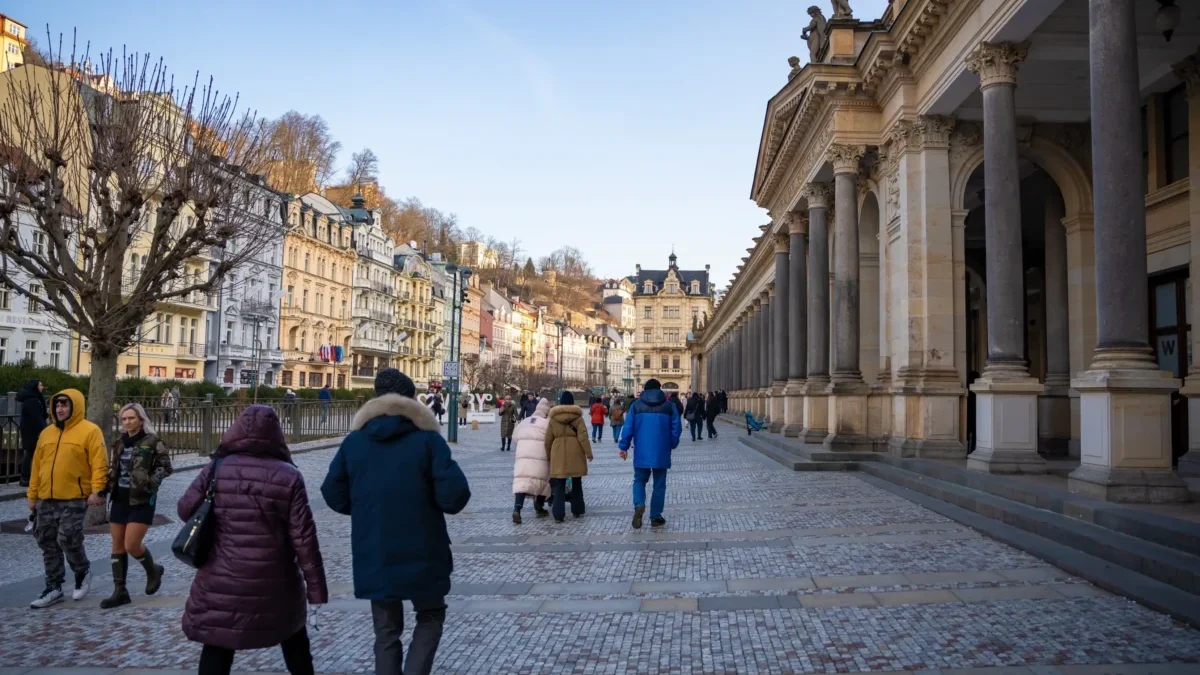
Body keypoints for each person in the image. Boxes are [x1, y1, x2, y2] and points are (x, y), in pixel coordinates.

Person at [321, 368, 470, 675]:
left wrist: (367, 509)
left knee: (386, 631)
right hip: (424, 548)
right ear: (411, 401)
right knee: (430, 614)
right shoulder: (428, 441)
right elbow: (455, 497)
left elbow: (332, 492)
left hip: (374, 548)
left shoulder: (355, 442)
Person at [180, 405, 327, 675]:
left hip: (221, 577)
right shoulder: (289, 475)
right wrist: (317, 593)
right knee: (294, 641)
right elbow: (304, 539)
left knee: (218, 643)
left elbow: (184, 509)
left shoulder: (218, 467)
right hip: (276, 580)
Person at [27, 389, 108, 608]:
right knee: (46, 541)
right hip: (46, 497)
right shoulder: (46, 433)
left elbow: (99, 462)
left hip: (74, 497)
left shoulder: (90, 431)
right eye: (57, 406)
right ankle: (53, 586)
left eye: (65, 405)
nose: (60, 409)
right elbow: (37, 466)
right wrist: (32, 495)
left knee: (68, 538)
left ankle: (82, 571)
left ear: (75, 407)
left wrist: (97, 489)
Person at [100, 403, 173, 609]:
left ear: (141, 419)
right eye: (124, 419)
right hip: (120, 498)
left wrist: (152, 482)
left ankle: (152, 570)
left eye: (131, 418)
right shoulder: (119, 443)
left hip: (141, 499)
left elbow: (166, 467)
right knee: (116, 544)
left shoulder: (152, 441)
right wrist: (104, 488)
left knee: (131, 544)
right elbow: (115, 469)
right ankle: (120, 590)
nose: (127, 422)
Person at [618, 379, 681, 529]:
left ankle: (639, 505)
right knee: (659, 485)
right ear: (660, 390)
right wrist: (671, 444)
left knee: (639, 480)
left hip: (641, 451)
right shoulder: (669, 406)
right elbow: (676, 428)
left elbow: (628, 428)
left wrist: (623, 446)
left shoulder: (636, 406)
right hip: (661, 451)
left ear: (644, 390)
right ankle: (655, 516)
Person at [544, 391, 592, 522]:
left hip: (558, 451)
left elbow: (548, 440)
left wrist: (548, 456)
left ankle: (558, 515)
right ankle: (577, 510)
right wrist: (588, 453)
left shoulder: (553, 418)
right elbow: (583, 437)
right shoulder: (578, 418)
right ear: (572, 402)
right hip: (575, 450)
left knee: (559, 484)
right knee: (577, 481)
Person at [511, 397, 552, 523]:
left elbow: (514, 437)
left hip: (523, 457)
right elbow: (551, 439)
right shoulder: (547, 423)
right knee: (542, 480)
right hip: (540, 457)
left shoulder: (526, 421)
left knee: (522, 482)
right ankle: (539, 506)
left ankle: (517, 509)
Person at [16, 379, 47, 487]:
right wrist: (44, 429)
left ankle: (28, 477)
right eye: (40, 385)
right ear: (35, 387)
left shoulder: (31, 398)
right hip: (32, 431)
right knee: (30, 453)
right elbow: (37, 418)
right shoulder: (33, 400)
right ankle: (26, 477)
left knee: (30, 453)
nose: (42, 387)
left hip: (29, 430)